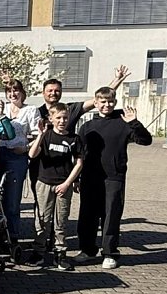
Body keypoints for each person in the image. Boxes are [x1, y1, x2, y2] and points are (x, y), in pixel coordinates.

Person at [74, 87, 152, 270]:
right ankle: (87, 250)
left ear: (115, 102)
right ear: (96, 102)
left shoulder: (123, 122)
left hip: (113, 177)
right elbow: (78, 153)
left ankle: (109, 253)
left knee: (111, 215)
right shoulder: (87, 126)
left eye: (110, 101)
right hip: (90, 178)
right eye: (102, 101)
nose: (106, 105)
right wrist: (76, 178)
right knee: (87, 215)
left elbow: (145, 140)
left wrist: (134, 123)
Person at [26, 103, 84, 270]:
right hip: (44, 183)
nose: (62, 121)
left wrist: (68, 183)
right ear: (51, 119)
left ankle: (60, 255)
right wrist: (41, 135)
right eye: (58, 118)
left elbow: (79, 163)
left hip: (63, 185)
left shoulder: (74, 139)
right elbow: (32, 154)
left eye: (65, 118)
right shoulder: (46, 136)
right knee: (42, 220)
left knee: (61, 221)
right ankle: (39, 252)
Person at [0, 79, 40, 241]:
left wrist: (26, 148)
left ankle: (13, 235)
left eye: (16, 90)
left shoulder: (30, 110)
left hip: (17, 156)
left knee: (13, 200)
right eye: (9, 91)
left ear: (22, 92)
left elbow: (38, 136)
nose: (13, 94)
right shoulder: (0, 108)